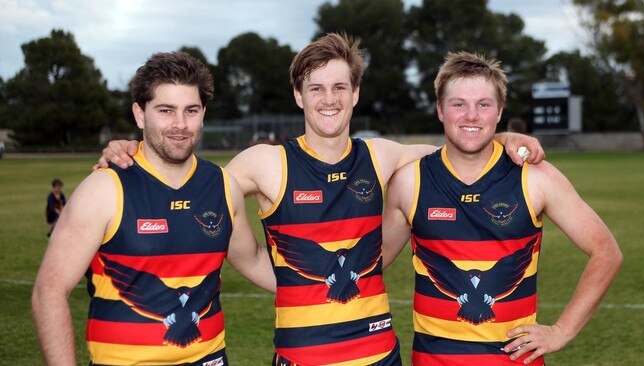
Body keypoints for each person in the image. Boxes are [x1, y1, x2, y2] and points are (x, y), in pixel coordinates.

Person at [97, 33, 545, 365]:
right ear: (298, 96)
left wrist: (505, 135)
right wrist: (128, 151)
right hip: (301, 357)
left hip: (379, 355)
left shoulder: (384, 156)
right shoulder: (265, 163)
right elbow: (193, 195)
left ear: (355, 94)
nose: (328, 99)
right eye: (316, 88)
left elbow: (462, 145)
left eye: (338, 88)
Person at [32, 51, 275, 366]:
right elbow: (48, 292)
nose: (180, 124)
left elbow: (253, 259)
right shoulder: (104, 189)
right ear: (139, 114)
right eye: (165, 110)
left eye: (191, 110)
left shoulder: (222, 186)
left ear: (203, 113)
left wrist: (330, 279)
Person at [382, 51, 622, 365]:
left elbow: (606, 251)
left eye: (483, 104)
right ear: (440, 110)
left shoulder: (535, 177)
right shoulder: (410, 182)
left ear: (499, 112)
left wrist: (562, 331)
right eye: (459, 104)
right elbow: (370, 264)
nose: (471, 116)